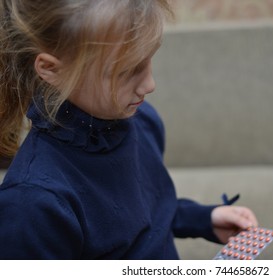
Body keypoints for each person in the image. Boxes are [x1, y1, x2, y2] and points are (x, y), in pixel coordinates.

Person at [0, 0, 258, 259]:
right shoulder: (31, 203)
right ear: (52, 69)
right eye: (126, 71)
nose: (150, 83)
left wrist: (204, 218)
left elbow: (149, 212)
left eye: (148, 59)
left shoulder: (142, 121)